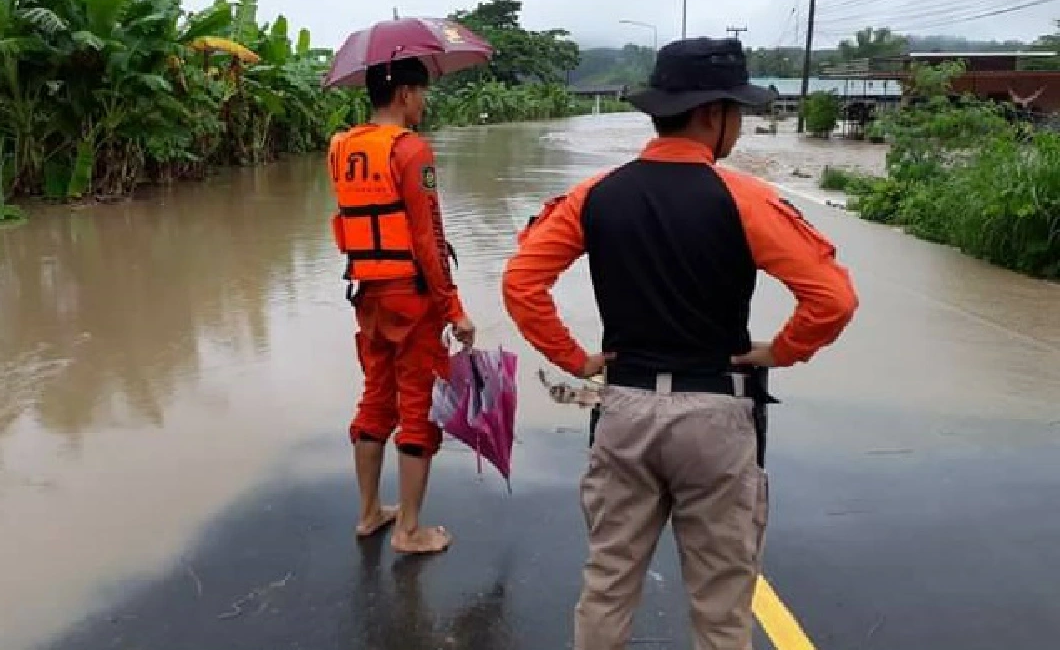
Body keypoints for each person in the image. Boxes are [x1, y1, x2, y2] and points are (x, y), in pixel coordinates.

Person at [501, 37, 859, 650]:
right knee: (721, 605)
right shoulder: (746, 199)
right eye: (738, 113)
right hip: (716, 415)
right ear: (711, 115)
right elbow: (833, 298)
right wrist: (779, 350)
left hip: (624, 409)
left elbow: (521, 281)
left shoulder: (595, 196)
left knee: (608, 583)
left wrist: (574, 358)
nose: (740, 127)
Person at [328, 57, 476, 555]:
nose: (424, 103)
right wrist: (454, 308)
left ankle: (370, 512)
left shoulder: (342, 147)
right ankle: (409, 531)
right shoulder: (411, 150)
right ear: (405, 96)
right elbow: (427, 238)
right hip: (412, 298)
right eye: (422, 93)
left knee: (375, 397)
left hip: (367, 292)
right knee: (417, 408)